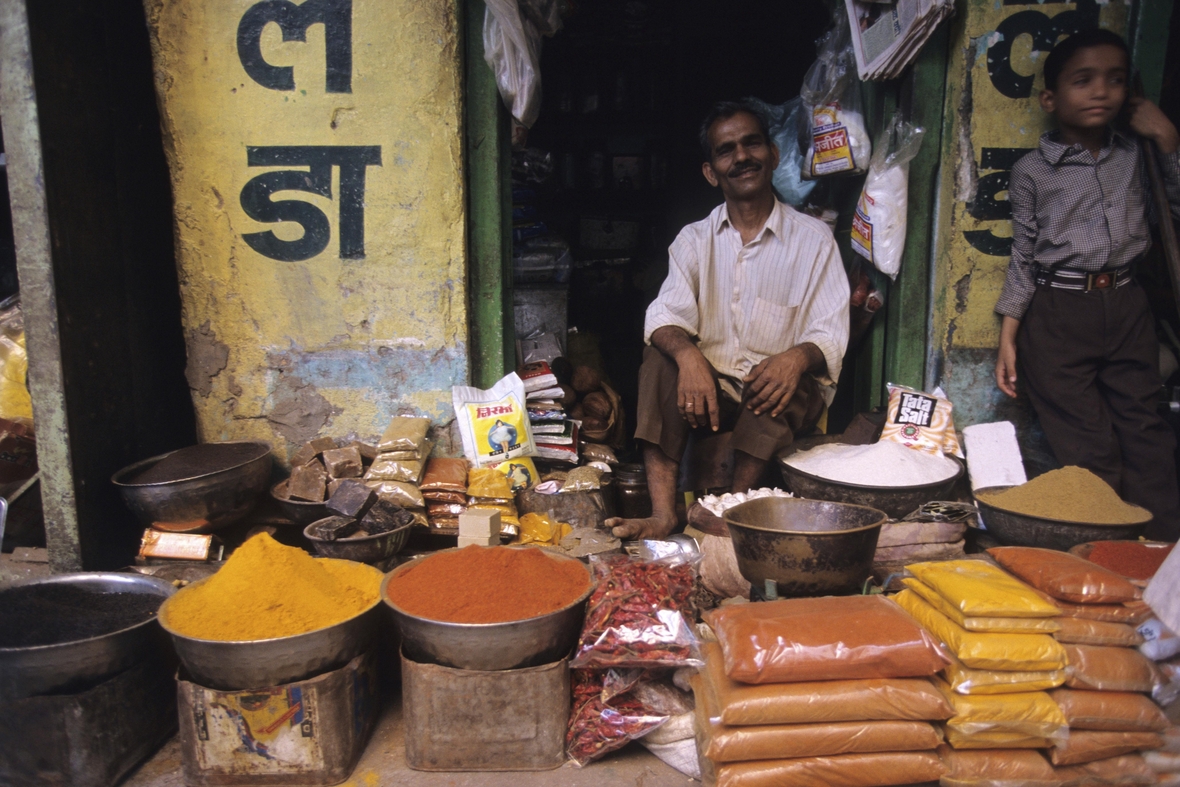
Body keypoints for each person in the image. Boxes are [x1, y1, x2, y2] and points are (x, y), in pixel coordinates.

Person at [606, 100, 850, 540]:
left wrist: (796, 357)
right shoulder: (694, 240)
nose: (741, 157)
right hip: (711, 393)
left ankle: (729, 513)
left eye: (751, 143)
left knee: (776, 382)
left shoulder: (814, 241)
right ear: (710, 171)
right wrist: (688, 357)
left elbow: (829, 330)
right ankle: (664, 514)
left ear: (772, 155)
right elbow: (663, 315)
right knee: (659, 361)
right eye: (726, 150)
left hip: (777, 389)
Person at [993, 28, 1180, 541]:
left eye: (1115, 80)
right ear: (1051, 99)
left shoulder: (1137, 155)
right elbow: (1024, 254)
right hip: (1057, 313)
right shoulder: (1033, 171)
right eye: (1084, 80)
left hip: (1126, 305)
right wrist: (1010, 333)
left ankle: (1164, 555)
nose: (1101, 91)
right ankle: (1106, 553)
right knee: (1087, 446)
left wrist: (1167, 139)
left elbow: (1177, 207)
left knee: (1147, 434)